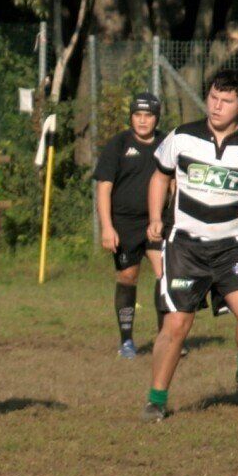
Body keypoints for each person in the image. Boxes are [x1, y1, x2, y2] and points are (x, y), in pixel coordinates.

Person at [143, 69, 238, 421]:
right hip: (185, 248)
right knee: (177, 325)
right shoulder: (182, 137)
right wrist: (155, 216)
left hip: (231, 248)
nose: (216, 106)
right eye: (213, 98)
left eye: (226, 101)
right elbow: (160, 175)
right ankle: (156, 400)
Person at [92, 94, 166, 358]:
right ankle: (126, 341)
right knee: (127, 277)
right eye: (138, 115)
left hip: (157, 222)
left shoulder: (167, 144)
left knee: (165, 275)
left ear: (157, 117)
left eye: (148, 115)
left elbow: (178, 182)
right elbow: (104, 188)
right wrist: (107, 227)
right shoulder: (118, 144)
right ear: (132, 117)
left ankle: (165, 338)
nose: (143, 120)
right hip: (124, 224)